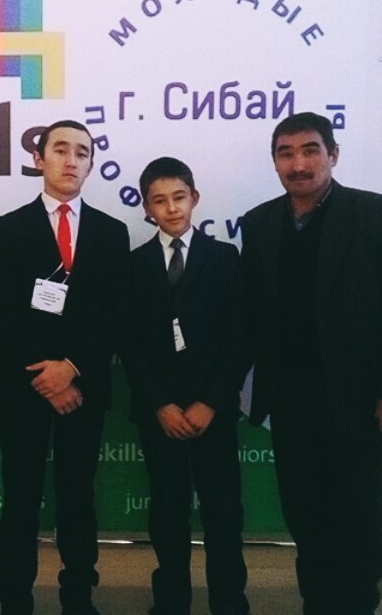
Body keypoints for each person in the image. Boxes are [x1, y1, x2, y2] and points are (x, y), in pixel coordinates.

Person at [240, 112, 382, 615]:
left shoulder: (378, 215)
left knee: (358, 513)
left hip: (361, 400)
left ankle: (361, 603)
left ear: (333, 155)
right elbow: (254, 313)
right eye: (286, 153)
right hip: (290, 399)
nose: (298, 164)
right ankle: (318, 602)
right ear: (275, 162)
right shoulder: (259, 223)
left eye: (310, 150)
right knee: (304, 512)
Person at [0, 119, 130, 615]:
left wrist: (70, 368)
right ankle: (14, 598)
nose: (71, 160)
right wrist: (46, 378)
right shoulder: (9, 228)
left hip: (83, 388)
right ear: (39, 159)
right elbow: (2, 316)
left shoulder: (112, 232)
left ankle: (78, 596)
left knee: (77, 497)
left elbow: (118, 316)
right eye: (61, 149)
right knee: (20, 498)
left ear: (91, 164)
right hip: (25, 387)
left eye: (82, 152)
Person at [122, 157, 250, 615]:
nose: (171, 208)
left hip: (212, 410)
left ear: (194, 198)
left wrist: (210, 402)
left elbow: (240, 337)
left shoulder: (225, 258)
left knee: (223, 511)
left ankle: (229, 602)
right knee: (167, 510)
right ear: (146, 208)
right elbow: (128, 343)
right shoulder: (133, 265)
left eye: (179, 197)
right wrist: (160, 404)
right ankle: (171, 601)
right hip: (161, 413)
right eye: (159, 201)